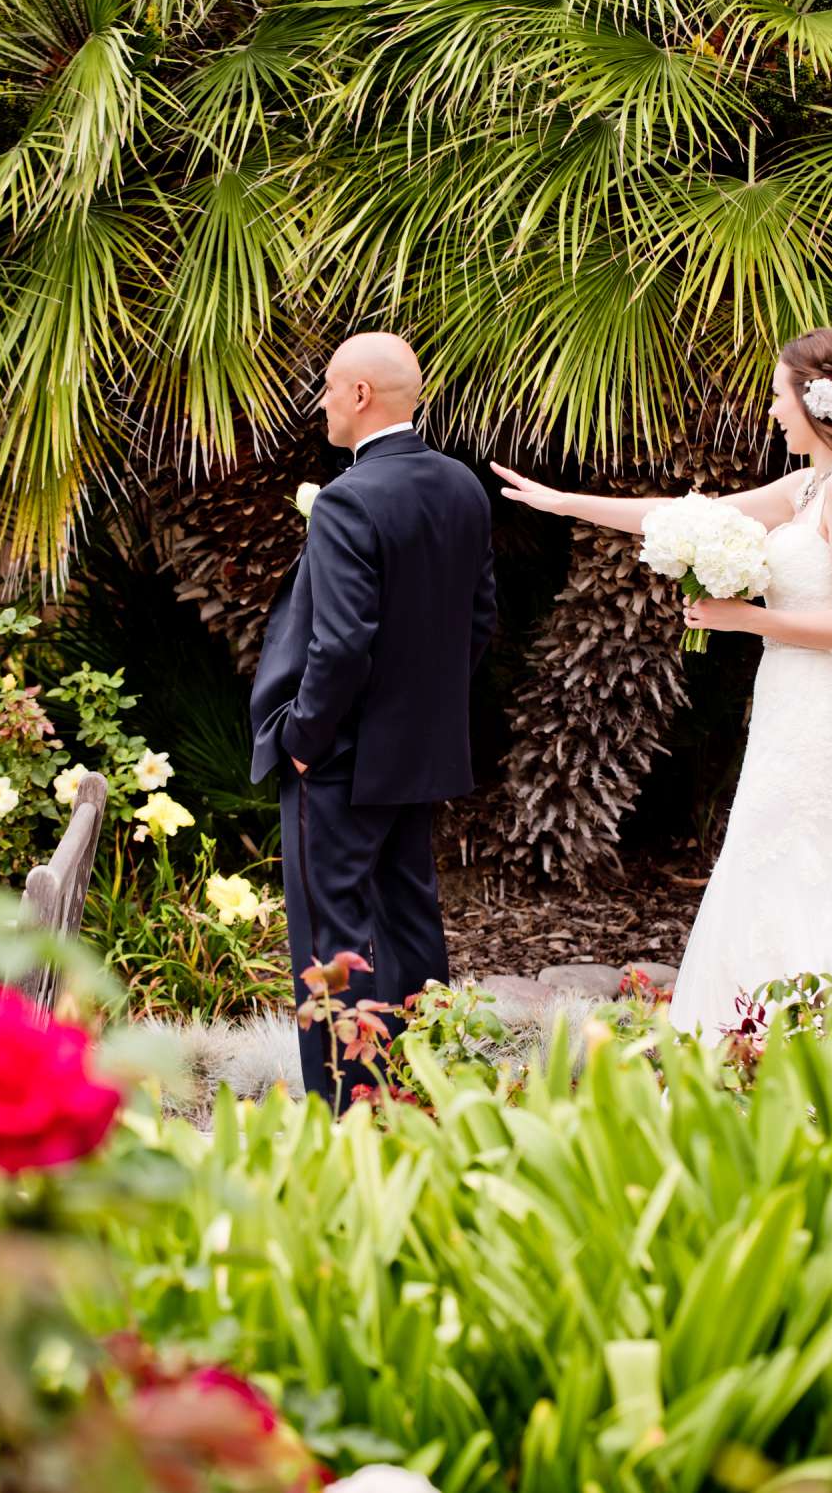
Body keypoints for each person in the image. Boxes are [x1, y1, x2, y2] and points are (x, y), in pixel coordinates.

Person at [490, 328, 832, 1089]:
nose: (770, 411)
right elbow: (694, 515)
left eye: (777, 394)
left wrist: (745, 619)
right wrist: (566, 503)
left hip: (824, 708)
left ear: (817, 400)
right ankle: (765, 1038)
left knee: (812, 857)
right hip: (790, 698)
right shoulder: (808, 488)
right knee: (770, 856)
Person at [250, 332, 497, 1109]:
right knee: (411, 920)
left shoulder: (351, 498)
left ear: (360, 396)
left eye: (328, 387)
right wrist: (418, 709)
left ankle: (347, 1107)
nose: (321, 401)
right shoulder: (461, 485)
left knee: (334, 939)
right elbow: (480, 619)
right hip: (418, 755)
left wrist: (302, 740)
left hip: (340, 761)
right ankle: (424, 1089)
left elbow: (342, 641)